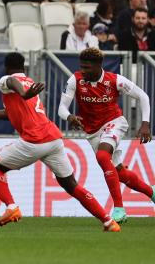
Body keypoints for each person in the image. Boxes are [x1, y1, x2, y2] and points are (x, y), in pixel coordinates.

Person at [0, 52, 120, 232]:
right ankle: (108, 221)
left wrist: (23, 93)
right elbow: (9, 114)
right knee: (71, 185)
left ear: (6, 67)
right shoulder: (30, 82)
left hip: (34, 141)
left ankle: (11, 207)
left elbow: (12, 83)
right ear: (24, 67)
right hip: (53, 139)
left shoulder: (7, 81)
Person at [58, 47, 155, 223]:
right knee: (120, 173)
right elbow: (61, 109)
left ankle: (119, 208)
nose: (83, 71)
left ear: (98, 66)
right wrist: (70, 116)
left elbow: (142, 96)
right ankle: (152, 192)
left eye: (87, 67)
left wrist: (146, 124)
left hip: (115, 123)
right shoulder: (76, 79)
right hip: (93, 132)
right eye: (82, 66)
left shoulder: (115, 81)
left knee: (103, 157)